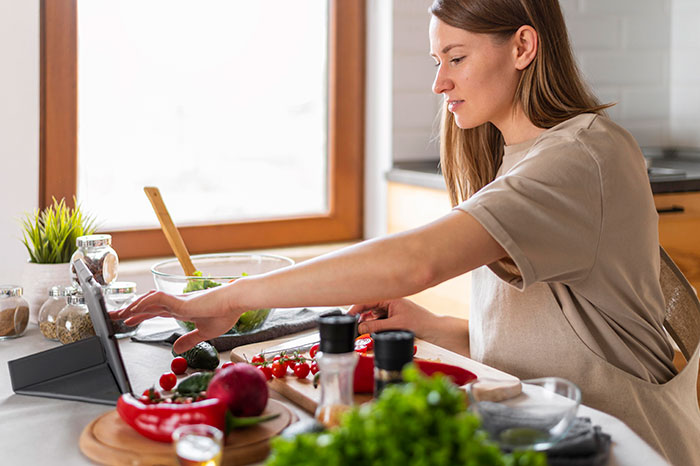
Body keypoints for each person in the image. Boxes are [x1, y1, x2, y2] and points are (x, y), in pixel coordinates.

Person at [114, 0, 700, 463]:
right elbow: (557, 344)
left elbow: (413, 261)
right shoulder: (518, 157)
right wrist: (432, 326)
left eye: (457, 57)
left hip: (626, 447)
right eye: (435, 61)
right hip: (546, 434)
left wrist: (224, 297)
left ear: (522, 45)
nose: (440, 83)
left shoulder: (583, 156)